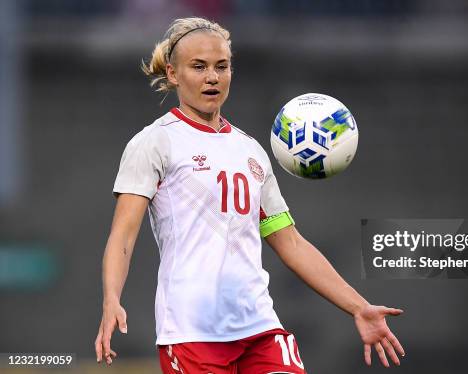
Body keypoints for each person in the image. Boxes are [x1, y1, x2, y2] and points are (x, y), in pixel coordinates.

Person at [94, 17, 405, 373]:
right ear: (173, 73)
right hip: (192, 331)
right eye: (198, 67)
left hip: (259, 327)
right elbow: (123, 234)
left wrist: (357, 306)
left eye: (221, 66)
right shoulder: (155, 142)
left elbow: (290, 242)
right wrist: (111, 298)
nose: (212, 77)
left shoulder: (251, 151)